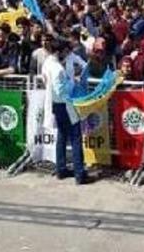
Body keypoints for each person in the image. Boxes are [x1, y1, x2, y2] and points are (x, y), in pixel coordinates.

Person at [42, 38, 90, 185]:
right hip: (65, 104)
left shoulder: (47, 64)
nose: (66, 54)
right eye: (64, 51)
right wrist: (72, 82)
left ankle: (61, 169)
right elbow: (61, 89)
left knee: (62, 136)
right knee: (76, 138)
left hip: (56, 104)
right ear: (58, 51)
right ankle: (79, 174)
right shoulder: (57, 68)